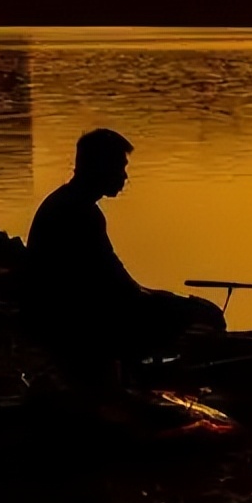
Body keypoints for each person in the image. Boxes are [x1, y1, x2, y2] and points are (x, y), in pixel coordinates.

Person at [24, 128, 224, 392]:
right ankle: (139, 376)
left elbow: (111, 277)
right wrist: (171, 303)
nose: (124, 176)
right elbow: (116, 285)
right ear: (100, 167)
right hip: (70, 319)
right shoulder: (80, 214)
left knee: (172, 308)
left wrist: (154, 296)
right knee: (203, 315)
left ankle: (135, 371)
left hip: (61, 310)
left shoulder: (67, 203)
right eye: (119, 168)